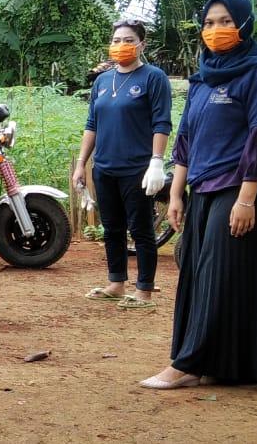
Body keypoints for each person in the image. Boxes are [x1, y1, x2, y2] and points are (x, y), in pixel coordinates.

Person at [140, 0, 257, 389]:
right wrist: (176, 193)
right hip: (201, 187)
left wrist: (246, 199)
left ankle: (187, 365)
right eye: (209, 23)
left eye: (225, 21)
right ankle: (228, 366)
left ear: (245, 24)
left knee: (218, 276)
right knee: (197, 278)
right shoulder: (203, 78)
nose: (215, 30)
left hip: (236, 188)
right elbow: (186, 137)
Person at [73, 19, 172, 309]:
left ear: (142, 44)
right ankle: (116, 282)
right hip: (104, 167)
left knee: (141, 229)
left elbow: (161, 123)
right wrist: (82, 164)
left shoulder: (154, 78)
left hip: (137, 169)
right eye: (116, 40)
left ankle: (144, 290)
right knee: (112, 227)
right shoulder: (103, 81)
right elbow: (92, 124)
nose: (121, 46)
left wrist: (156, 161)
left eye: (128, 40)